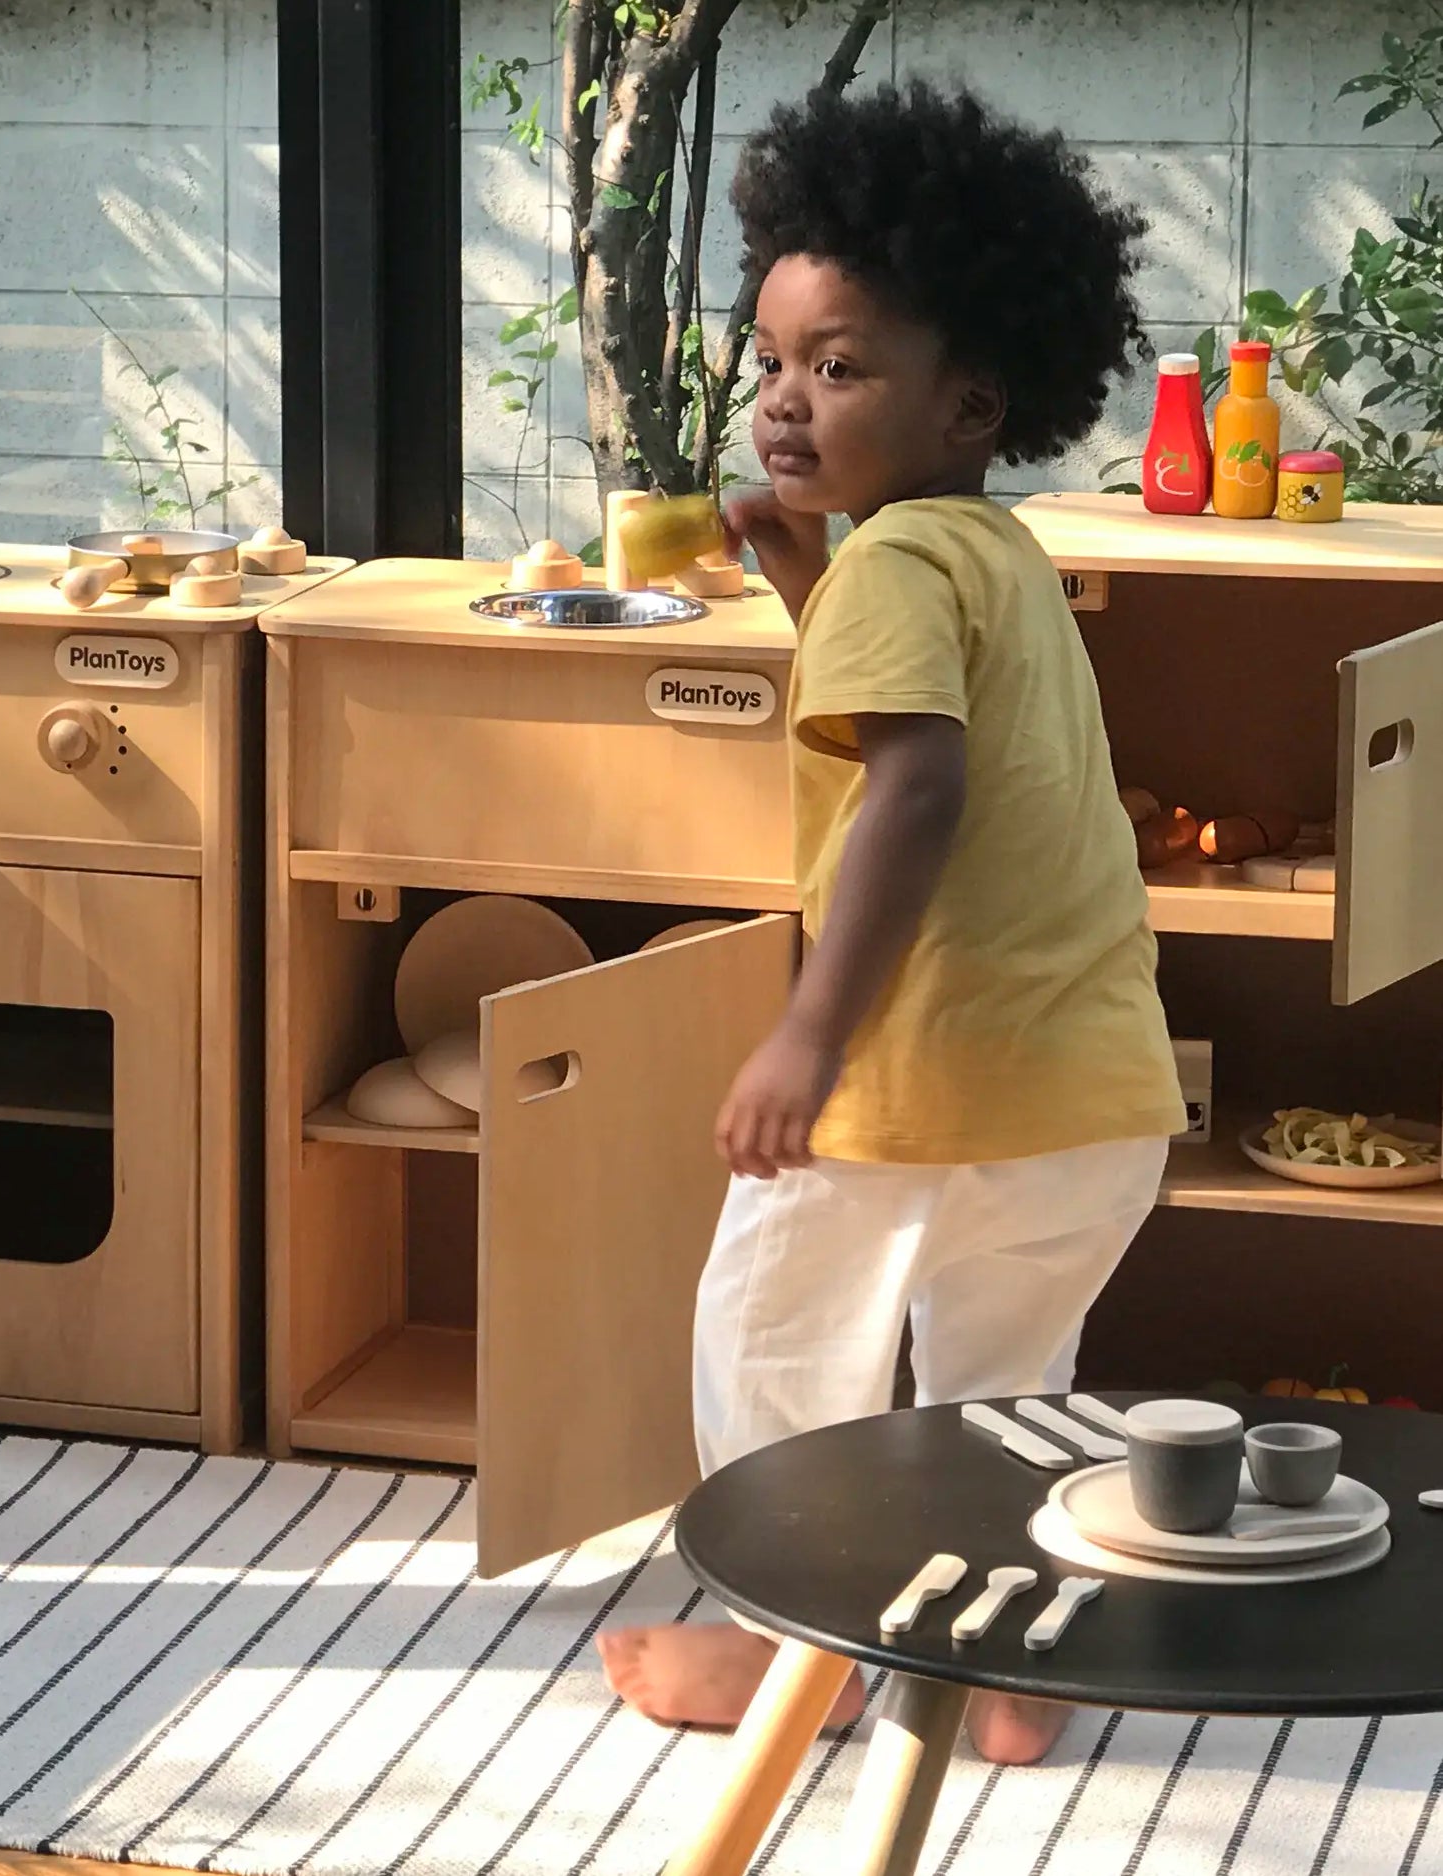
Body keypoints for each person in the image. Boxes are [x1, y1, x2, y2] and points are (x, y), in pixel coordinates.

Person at [596, 78, 1185, 1767]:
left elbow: (908, 797)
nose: (783, 404)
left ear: (966, 397)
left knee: (774, 1368)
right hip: (1085, 1106)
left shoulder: (891, 574)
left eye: (838, 367)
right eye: (771, 362)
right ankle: (997, 1668)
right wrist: (800, 577)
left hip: (912, 1096)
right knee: (1005, 1412)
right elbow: (931, 740)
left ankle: (801, 1665)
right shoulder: (991, 552)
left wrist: (802, 1035)